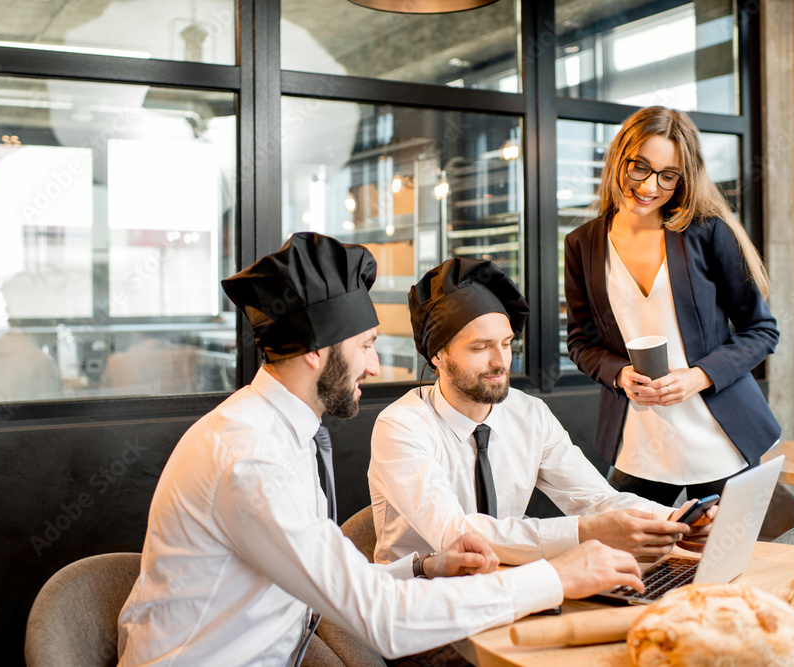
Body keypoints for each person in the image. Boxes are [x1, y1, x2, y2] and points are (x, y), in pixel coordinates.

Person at [117, 232, 645, 667]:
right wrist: (558, 576)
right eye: (367, 346)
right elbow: (385, 622)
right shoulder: (252, 457)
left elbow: (328, 583)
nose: (374, 367)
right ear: (317, 352)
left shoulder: (279, 433)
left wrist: (423, 569)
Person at [370, 258, 711, 569]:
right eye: (480, 347)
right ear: (437, 356)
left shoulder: (529, 414)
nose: (500, 362)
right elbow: (456, 533)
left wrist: (677, 519)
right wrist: (585, 532)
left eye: (506, 344)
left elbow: (595, 500)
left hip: (506, 585)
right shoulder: (400, 427)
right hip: (416, 602)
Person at [564, 105, 780, 505]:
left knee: (728, 562)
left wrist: (699, 376)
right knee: (625, 562)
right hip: (639, 442)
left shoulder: (707, 234)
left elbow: (762, 330)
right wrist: (619, 374)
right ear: (618, 159)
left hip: (719, 439)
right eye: (639, 167)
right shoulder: (582, 245)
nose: (649, 186)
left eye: (667, 176)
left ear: (683, 179)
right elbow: (580, 340)